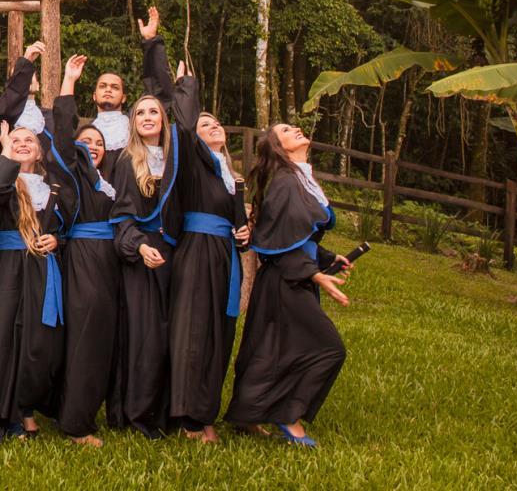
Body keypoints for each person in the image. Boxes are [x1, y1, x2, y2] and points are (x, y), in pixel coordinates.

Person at [146, 41, 249, 442]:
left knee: (219, 333)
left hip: (225, 255)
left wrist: (244, 232)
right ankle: (188, 418)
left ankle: (206, 411)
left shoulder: (231, 175)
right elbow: (183, 124)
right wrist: (187, 84)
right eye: (206, 124)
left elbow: (236, 220)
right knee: (192, 331)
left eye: (217, 123)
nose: (213, 126)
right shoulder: (191, 160)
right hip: (196, 252)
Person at [224, 122, 350, 447]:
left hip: (296, 275)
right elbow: (275, 242)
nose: (294, 128)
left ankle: (246, 415)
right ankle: (288, 415)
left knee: (270, 349)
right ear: (278, 147)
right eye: (284, 130)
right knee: (328, 348)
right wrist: (313, 272)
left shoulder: (299, 179)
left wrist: (326, 259)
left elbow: (297, 235)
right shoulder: (285, 182)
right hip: (285, 279)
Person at [0, 117, 73, 438]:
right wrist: (4, 151)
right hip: (7, 267)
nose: (21, 143)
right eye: (15, 140)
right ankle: (9, 411)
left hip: (41, 270)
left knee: (37, 340)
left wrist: (56, 241)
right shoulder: (2, 182)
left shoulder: (53, 190)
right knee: (6, 335)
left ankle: (28, 404)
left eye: (28, 141)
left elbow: (64, 230)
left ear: (39, 152)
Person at [50, 53, 122, 446]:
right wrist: (69, 81)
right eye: (85, 141)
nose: (92, 146)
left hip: (112, 261)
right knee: (85, 338)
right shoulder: (71, 171)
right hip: (83, 259)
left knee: (104, 338)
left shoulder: (111, 178)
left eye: (98, 142)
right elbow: (62, 130)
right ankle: (76, 424)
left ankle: (96, 409)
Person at [108, 84, 180, 437]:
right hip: (142, 252)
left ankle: (167, 411)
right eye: (140, 113)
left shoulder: (176, 159)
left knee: (171, 333)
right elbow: (121, 215)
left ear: (164, 119)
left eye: (154, 112)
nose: (147, 117)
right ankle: (137, 414)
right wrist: (138, 246)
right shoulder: (126, 160)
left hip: (175, 252)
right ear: (132, 122)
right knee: (144, 335)